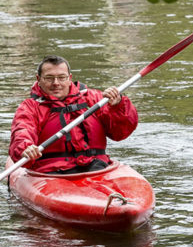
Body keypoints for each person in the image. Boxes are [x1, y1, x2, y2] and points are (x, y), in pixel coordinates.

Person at [9, 55, 139, 174]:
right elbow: (22, 130)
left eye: (61, 77)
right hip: (51, 170)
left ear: (69, 78)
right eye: (49, 78)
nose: (56, 83)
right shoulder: (30, 107)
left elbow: (120, 133)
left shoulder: (94, 98)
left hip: (97, 166)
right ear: (39, 79)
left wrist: (118, 106)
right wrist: (26, 147)